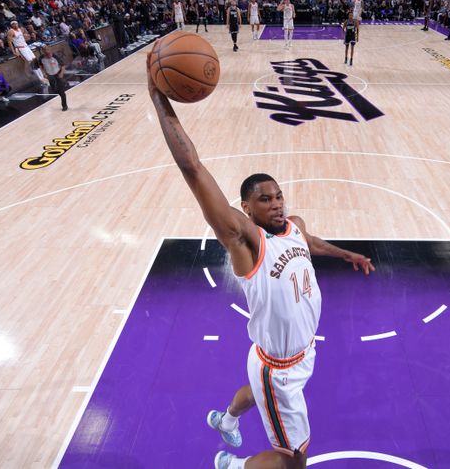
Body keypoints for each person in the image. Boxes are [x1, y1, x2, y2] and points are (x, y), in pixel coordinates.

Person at [148, 68, 375, 469]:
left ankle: (225, 419)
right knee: (294, 461)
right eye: (264, 199)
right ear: (246, 208)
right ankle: (231, 465)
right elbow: (193, 169)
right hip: (278, 370)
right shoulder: (247, 240)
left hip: (301, 353)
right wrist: (158, 96)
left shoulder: (294, 227)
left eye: (278, 195)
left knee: (251, 393)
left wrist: (346, 255)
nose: (276, 203)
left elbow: (310, 243)